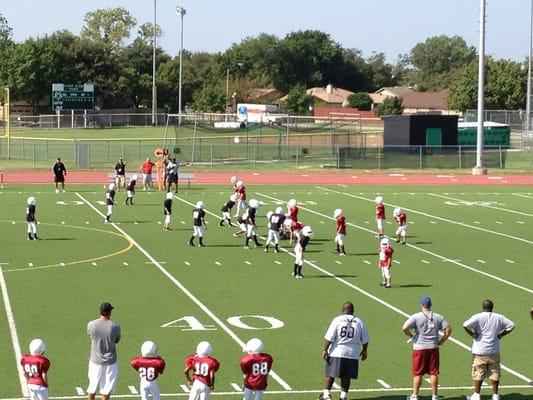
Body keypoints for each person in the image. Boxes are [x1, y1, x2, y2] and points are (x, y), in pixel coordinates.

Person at [463, 299, 515, 400]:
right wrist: (501, 334)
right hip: (494, 350)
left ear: (482, 307)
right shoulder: (499, 317)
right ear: (492, 307)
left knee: (478, 372)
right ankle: (495, 395)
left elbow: (465, 325)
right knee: (495, 372)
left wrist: (472, 334)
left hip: (480, 350)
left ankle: (476, 395)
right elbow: (511, 325)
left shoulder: (478, 316)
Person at [402, 296, 452, 400]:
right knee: (433, 372)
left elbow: (404, 327)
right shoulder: (438, 316)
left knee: (418, 373)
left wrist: (411, 336)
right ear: (430, 305)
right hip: (433, 347)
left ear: (421, 305)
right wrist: (441, 341)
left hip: (419, 348)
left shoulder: (416, 316)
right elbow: (448, 329)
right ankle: (434, 396)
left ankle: (415, 395)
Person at [319, 301, 369, 400]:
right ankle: (343, 396)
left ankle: (326, 395)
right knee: (347, 376)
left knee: (330, 373)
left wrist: (324, 349)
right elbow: (365, 339)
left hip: (337, 351)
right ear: (353, 311)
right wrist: (364, 350)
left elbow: (330, 337)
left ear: (342, 310)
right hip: (352, 353)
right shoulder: (359, 321)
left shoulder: (337, 320)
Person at [87, 302, 121, 400]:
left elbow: (90, 335)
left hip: (95, 361)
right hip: (110, 362)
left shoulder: (91, 324)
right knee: (106, 390)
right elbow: (117, 340)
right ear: (110, 312)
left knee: (92, 387)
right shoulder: (115, 326)